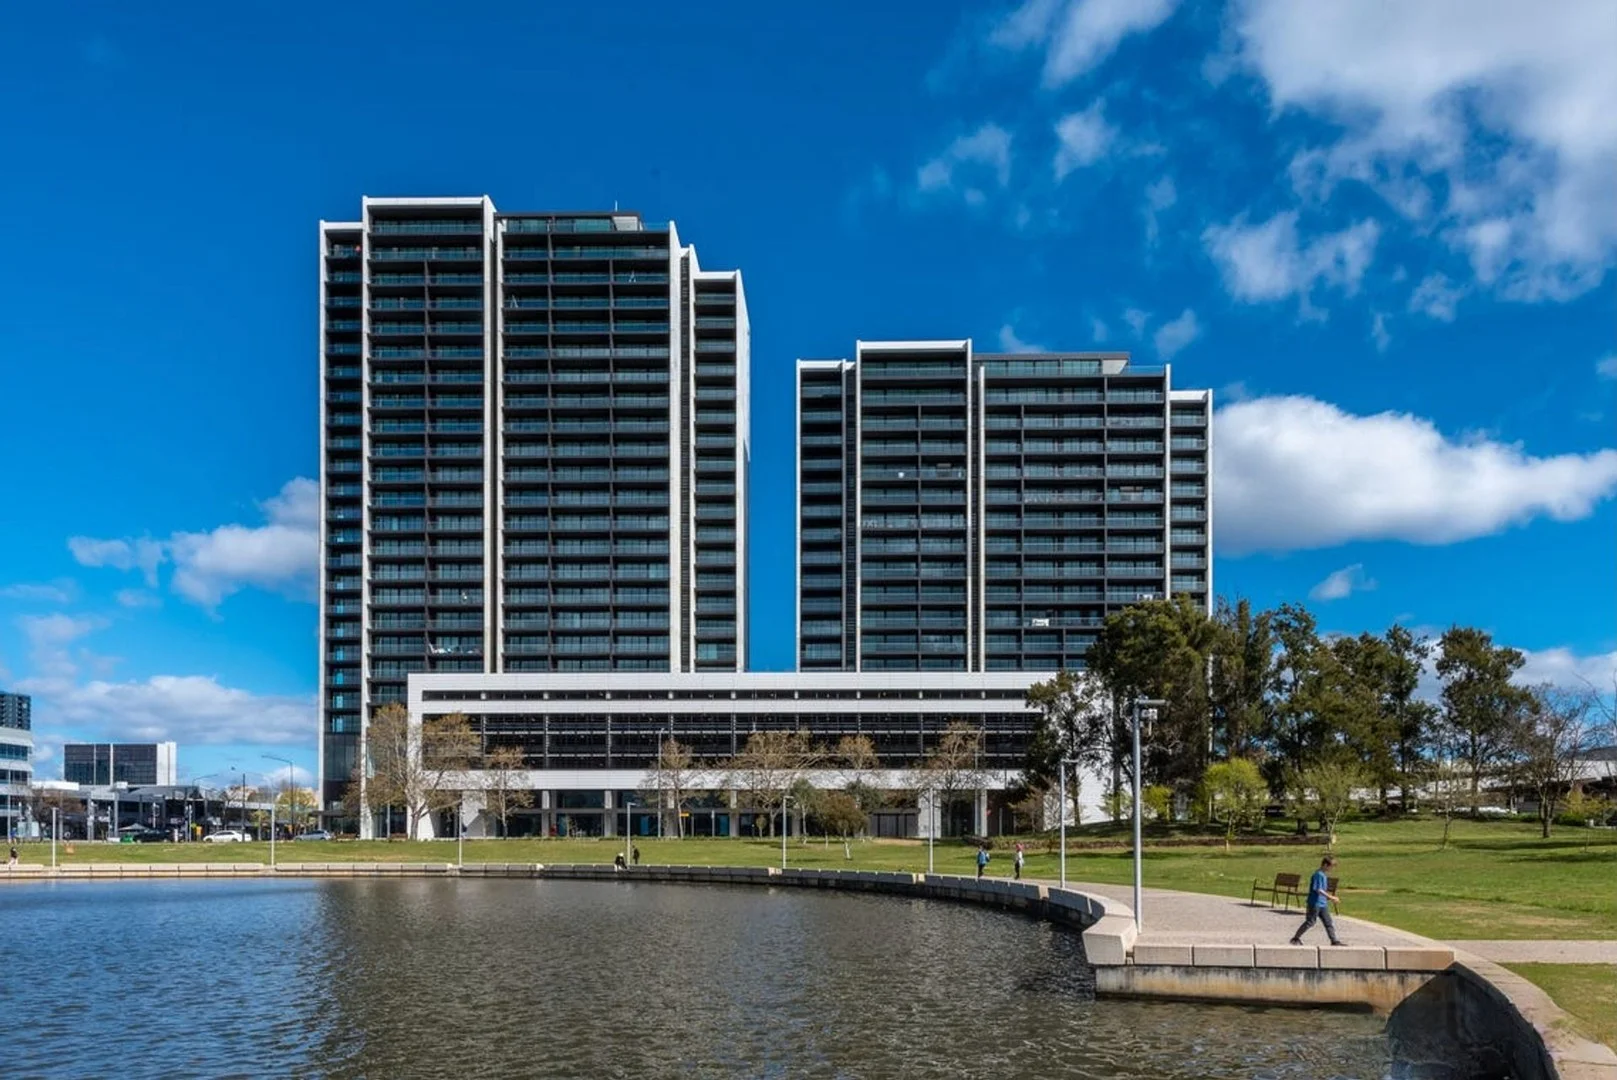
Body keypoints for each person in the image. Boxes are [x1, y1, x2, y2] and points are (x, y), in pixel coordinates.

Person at [1290, 855, 1345, 946]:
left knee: (1328, 922)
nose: (1331, 869)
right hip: (1314, 903)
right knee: (1310, 922)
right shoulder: (1318, 875)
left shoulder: (1323, 875)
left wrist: (1328, 898)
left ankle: (1334, 940)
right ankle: (1295, 938)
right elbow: (1318, 889)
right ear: (1325, 865)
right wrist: (1331, 897)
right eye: (1330, 866)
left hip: (1322, 904)